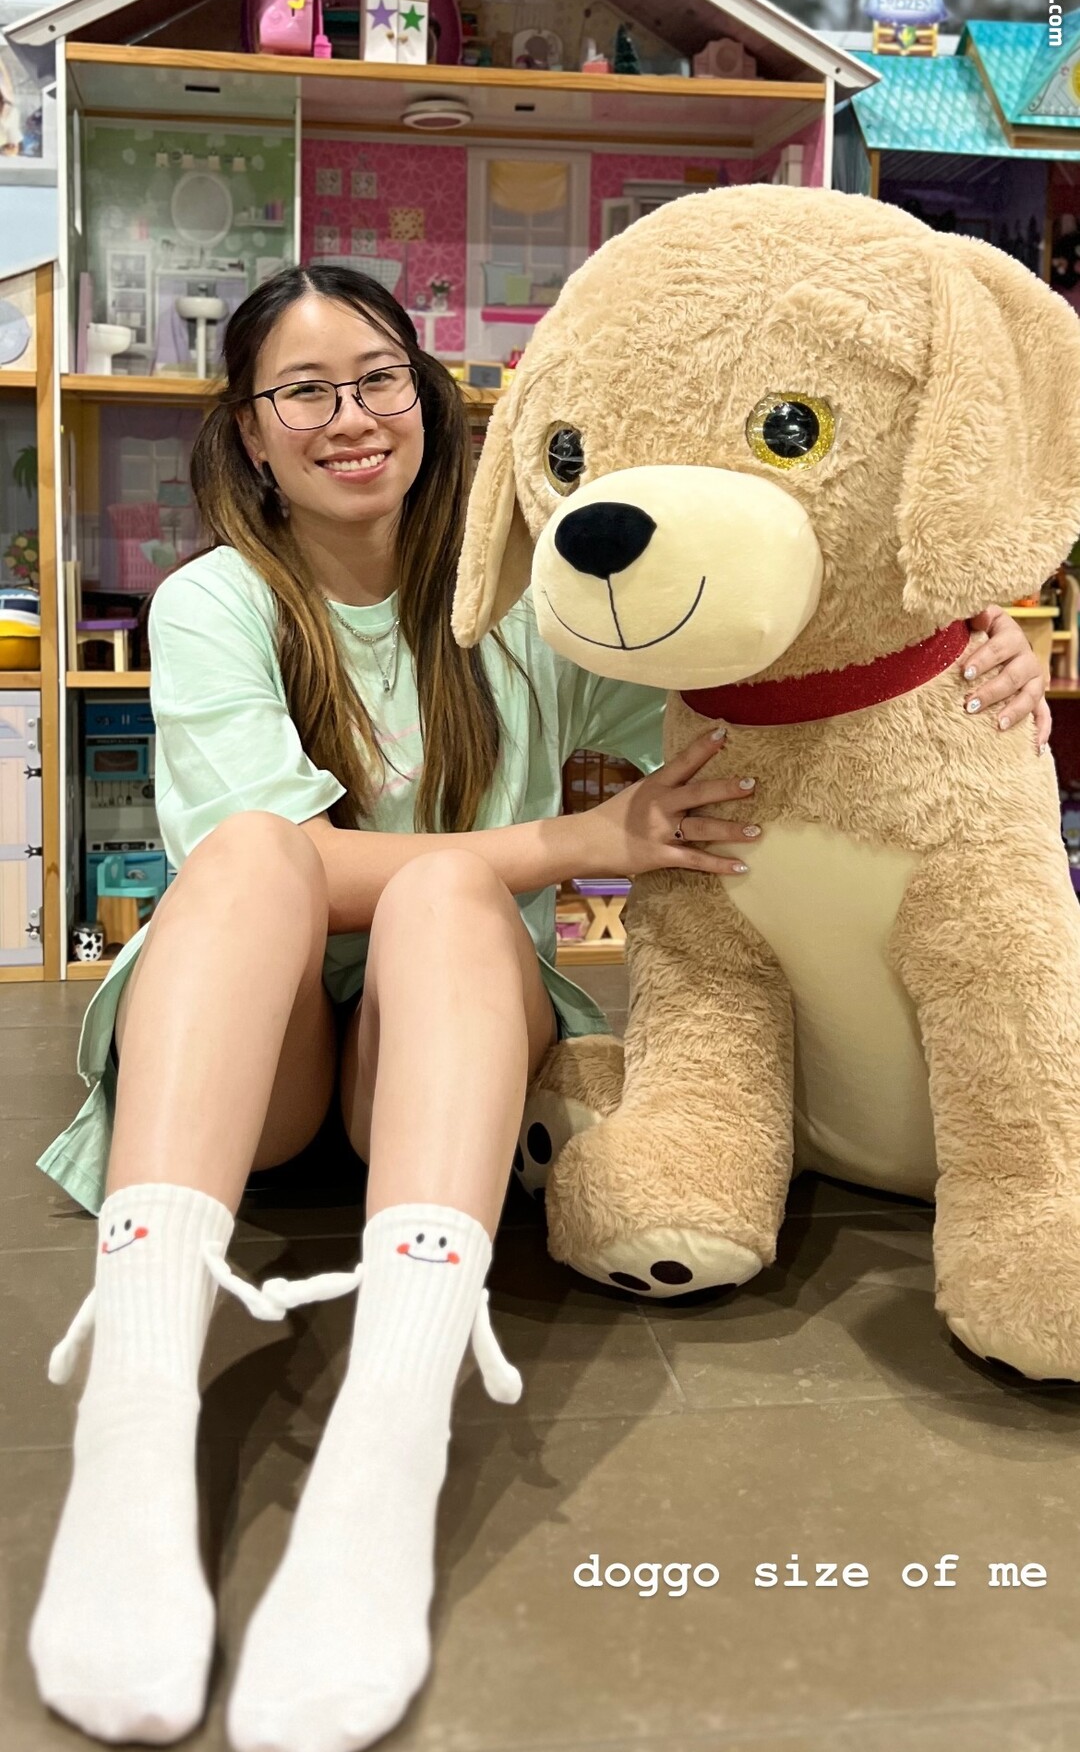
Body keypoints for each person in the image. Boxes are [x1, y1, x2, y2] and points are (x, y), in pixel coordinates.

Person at [28, 263, 1051, 1752]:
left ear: (429, 395)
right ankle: (134, 1414)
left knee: (446, 897)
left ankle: (392, 1432)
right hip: (257, 1060)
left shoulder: (518, 599)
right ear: (248, 428)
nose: (350, 417)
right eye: (303, 392)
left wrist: (960, 640)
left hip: (441, 1041)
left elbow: (751, 687)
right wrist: (579, 841)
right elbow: (294, 869)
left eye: (378, 378)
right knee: (255, 854)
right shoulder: (213, 602)